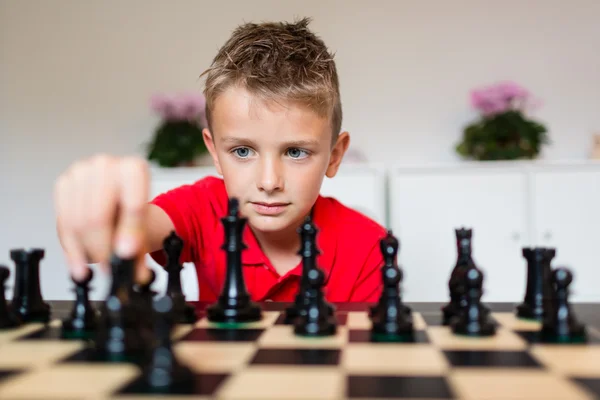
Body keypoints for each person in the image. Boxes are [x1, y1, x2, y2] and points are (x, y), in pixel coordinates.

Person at [54, 17, 387, 302]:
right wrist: (104, 210)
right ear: (214, 152)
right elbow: (133, 230)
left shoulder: (370, 247)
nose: (269, 182)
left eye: (296, 152)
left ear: (335, 155)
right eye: (242, 151)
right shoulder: (201, 209)